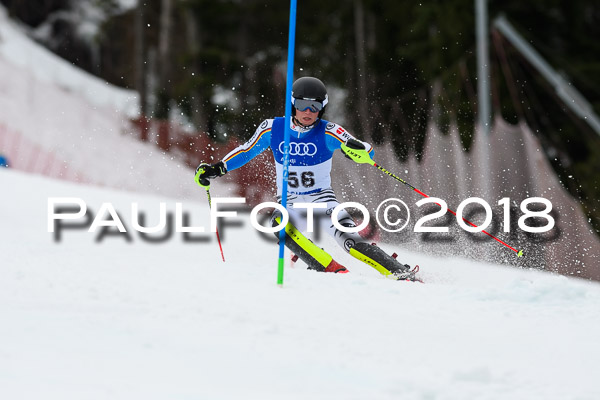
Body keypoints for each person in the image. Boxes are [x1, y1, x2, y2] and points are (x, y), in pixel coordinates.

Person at [195, 77, 418, 281]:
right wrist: (217, 169)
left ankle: (401, 273)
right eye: (302, 105)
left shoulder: (329, 131)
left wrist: (358, 150)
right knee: (280, 226)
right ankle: (332, 270)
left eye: (315, 106)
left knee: (353, 243)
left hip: (323, 201)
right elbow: (246, 151)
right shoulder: (274, 128)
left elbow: (366, 153)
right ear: (293, 104)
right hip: (290, 202)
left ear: (323, 107)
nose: (308, 111)